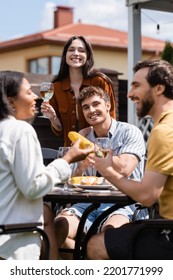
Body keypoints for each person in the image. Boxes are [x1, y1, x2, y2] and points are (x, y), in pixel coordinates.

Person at [0, 70, 94, 260]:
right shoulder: (20, 130)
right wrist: (68, 159)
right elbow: (34, 187)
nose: (35, 97)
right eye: (28, 92)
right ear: (10, 101)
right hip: (13, 245)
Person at [86, 59, 173, 260]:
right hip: (163, 224)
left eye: (136, 85)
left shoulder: (164, 131)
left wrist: (108, 171)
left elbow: (147, 195)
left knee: (96, 244)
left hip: (168, 233)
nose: (130, 93)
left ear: (158, 88)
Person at [54, 86, 148, 259]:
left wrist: (95, 150)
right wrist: (81, 166)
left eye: (96, 104)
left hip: (124, 203)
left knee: (108, 236)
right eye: (86, 107)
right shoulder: (83, 135)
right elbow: (72, 179)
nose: (91, 110)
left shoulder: (129, 132)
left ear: (107, 105)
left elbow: (125, 169)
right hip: (87, 202)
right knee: (58, 228)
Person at [41, 35, 116, 146]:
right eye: (71, 50)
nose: (76, 53)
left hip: (100, 148)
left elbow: (111, 118)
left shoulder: (100, 81)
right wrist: (53, 118)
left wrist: (85, 133)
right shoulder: (56, 87)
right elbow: (59, 130)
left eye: (81, 50)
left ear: (87, 55)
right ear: (65, 55)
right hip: (71, 151)